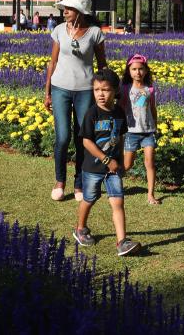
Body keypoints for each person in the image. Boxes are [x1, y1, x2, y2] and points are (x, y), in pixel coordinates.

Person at [45, 0, 108, 202]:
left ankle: (79, 183)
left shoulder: (95, 33)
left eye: (69, 9)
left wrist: (104, 92)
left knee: (84, 138)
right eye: (65, 8)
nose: (65, 12)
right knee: (63, 137)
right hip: (60, 88)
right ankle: (60, 181)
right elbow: (51, 63)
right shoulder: (59, 31)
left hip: (85, 91)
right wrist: (47, 93)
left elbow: (102, 66)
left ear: (80, 12)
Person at [72, 69, 142, 256]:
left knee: (118, 202)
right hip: (93, 168)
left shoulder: (119, 112)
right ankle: (80, 228)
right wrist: (106, 159)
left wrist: (120, 163)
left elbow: (119, 138)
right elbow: (86, 141)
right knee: (90, 199)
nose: (101, 94)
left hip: (113, 169)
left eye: (105, 90)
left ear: (116, 91)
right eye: (96, 90)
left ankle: (122, 242)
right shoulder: (92, 114)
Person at [120, 54, 160, 205]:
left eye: (141, 69)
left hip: (148, 132)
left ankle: (151, 194)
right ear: (129, 71)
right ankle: (113, 182)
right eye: (134, 69)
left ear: (146, 71)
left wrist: (155, 125)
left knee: (150, 162)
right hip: (131, 132)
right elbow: (120, 108)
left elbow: (153, 108)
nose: (138, 72)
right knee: (127, 164)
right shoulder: (124, 89)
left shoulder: (149, 89)